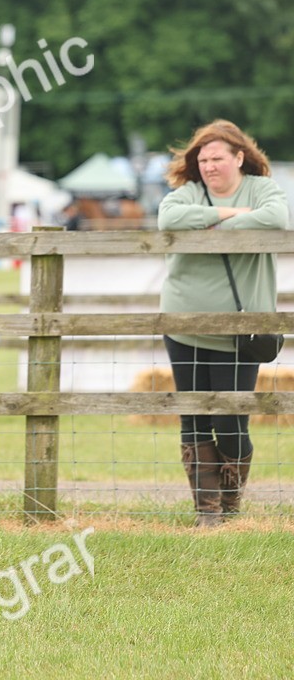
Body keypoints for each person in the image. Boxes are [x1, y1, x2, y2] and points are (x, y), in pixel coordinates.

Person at [157, 120, 289, 526]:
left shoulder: (262, 189)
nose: (210, 166)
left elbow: (275, 218)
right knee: (193, 416)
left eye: (217, 158)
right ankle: (207, 512)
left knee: (231, 419)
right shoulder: (189, 192)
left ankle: (230, 502)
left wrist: (211, 224)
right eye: (203, 159)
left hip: (240, 329)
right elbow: (168, 219)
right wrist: (230, 213)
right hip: (184, 324)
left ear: (239, 157)